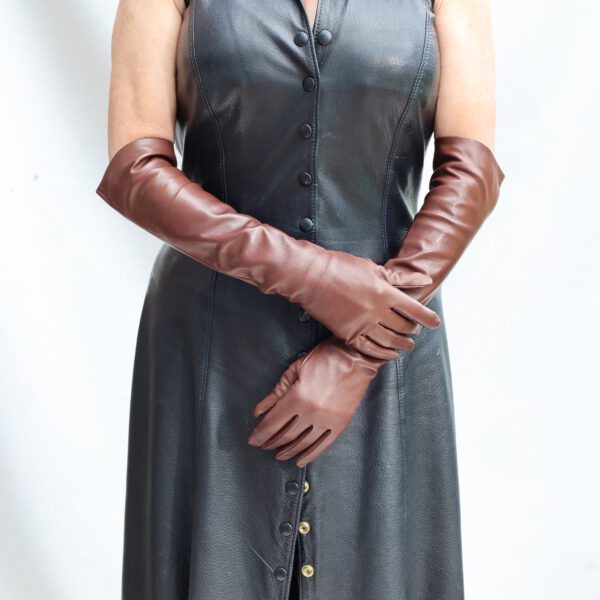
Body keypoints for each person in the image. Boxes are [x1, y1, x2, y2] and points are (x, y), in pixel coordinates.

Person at [95, 0, 505, 598]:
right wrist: (318, 279)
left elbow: (471, 175)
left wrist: (362, 352)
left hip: (389, 343)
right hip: (215, 348)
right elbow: (135, 170)